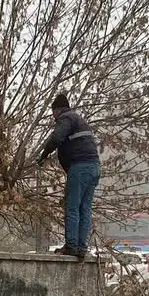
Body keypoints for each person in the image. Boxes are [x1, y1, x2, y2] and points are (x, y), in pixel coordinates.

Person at [37, 93, 101, 259]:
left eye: (53, 113)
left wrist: (43, 155)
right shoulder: (79, 120)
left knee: (72, 207)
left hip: (80, 168)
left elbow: (56, 138)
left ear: (57, 110)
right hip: (94, 168)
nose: (53, 117)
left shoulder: (66, 118)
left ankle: (71, 246)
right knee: (85, 209)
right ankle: (82, 247)